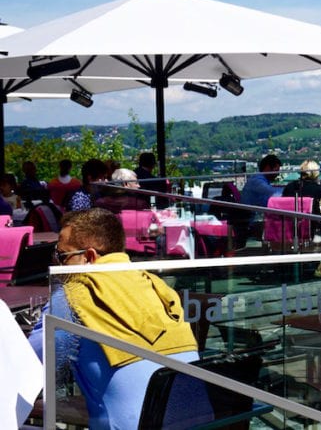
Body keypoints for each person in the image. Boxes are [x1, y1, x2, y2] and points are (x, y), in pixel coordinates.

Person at [28, 208, 200, 429]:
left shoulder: (74, 295)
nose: (58, 266)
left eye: (62, 256)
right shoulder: (157, 286)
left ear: (89, 257)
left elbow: (28, 364)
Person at [238, 154, 282, 244]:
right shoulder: (257, 181)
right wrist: (288, 192)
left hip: (256, 219)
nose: (277, 174)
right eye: (276, 170)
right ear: (267, 168)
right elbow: (273, 193)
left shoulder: (261, 180)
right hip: (252, 221)